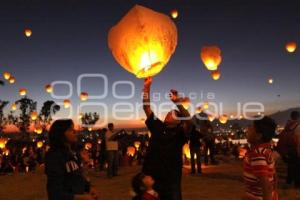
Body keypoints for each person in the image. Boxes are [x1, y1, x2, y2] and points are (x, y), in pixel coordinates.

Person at [142, 77, 192, 200]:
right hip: (151, 175)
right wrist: (147, 87)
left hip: (171, 178)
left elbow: (189, 121)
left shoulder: (180, 134)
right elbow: (146, 108)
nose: (169, 113)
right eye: (169, 112)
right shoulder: (157, 125)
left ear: (179, 121)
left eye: (173, 113)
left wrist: (177, 102)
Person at [45, 119, 98, 200]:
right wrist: (81, 198)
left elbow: (77, 176)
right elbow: (55, 193)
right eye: (70, 130)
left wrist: (89, 187)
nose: (75, 132)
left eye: (73, 129)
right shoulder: (54, 156)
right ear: (60, 134)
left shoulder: (73, 153)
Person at [244, 116, 278, 200]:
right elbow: (274, 176)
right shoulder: (266, 151)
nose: (247, 130)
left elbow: (266, 186)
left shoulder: (257, 154)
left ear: (258, 136)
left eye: (250, 129)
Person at [277, 111, 300, 187]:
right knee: (297, 167)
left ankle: (289, 181)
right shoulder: (298, 126)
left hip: (288, 149)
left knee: (291, 166)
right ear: (298, 116)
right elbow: (298, 140)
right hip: (296, 149)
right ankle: (297, 184)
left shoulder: (289, 125)